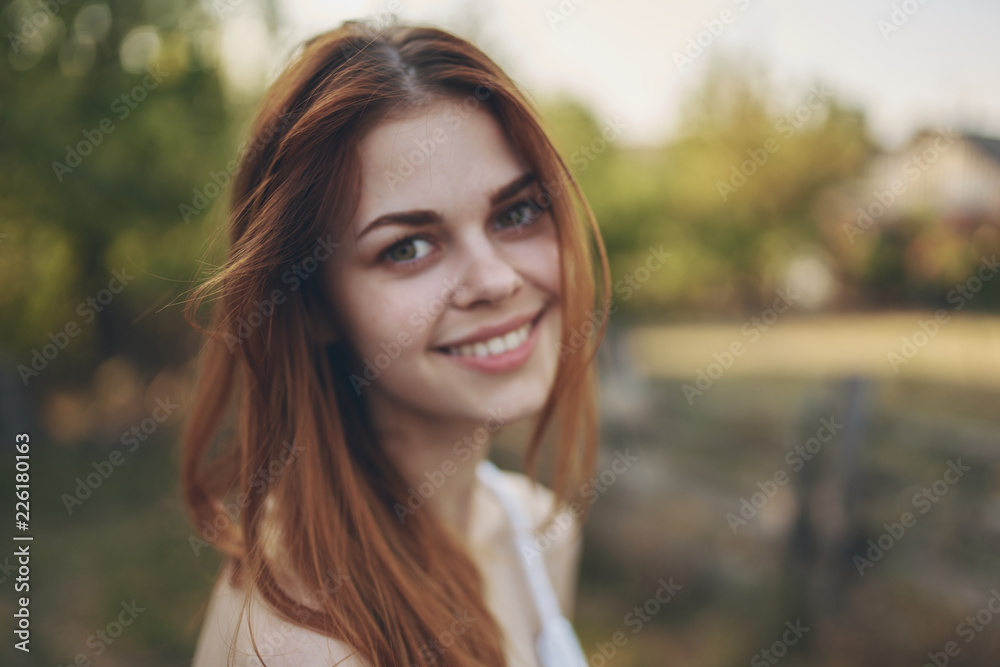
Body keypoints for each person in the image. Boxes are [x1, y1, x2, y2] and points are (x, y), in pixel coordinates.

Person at [181, 19, 610, 667]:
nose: (495, 280)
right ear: (314, 304)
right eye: (407, 247)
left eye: (516, 212)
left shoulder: (538, 529)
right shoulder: (308, 645)